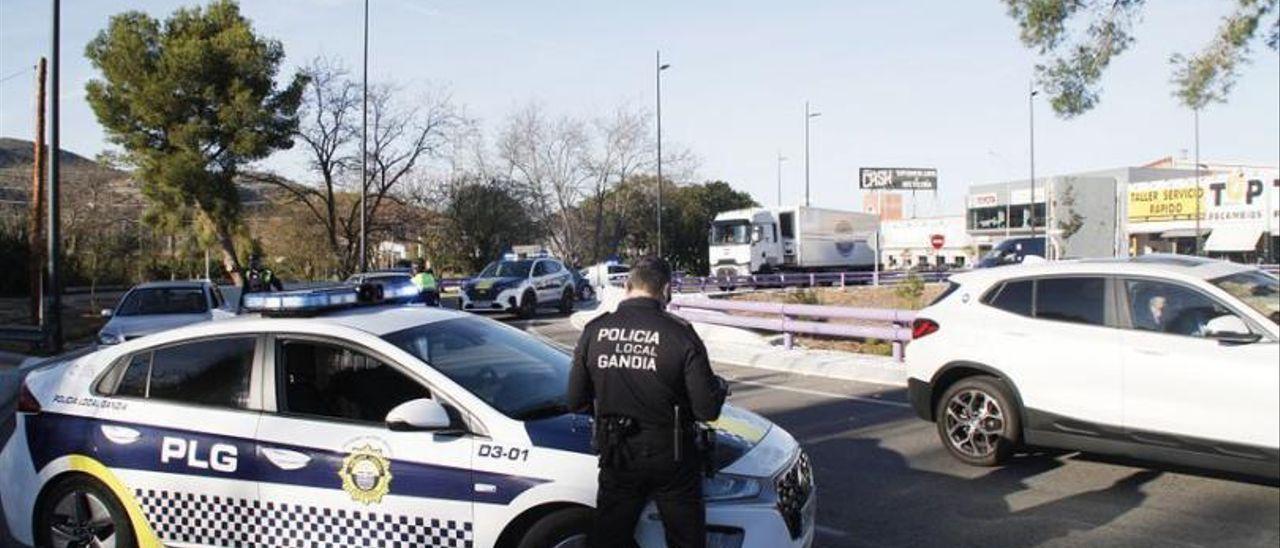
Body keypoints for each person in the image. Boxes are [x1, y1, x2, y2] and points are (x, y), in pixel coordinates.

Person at [567, 256, 728, 548]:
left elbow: (575, 401)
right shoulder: (680, 334)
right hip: (672, 458)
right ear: (666, 290)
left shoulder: (595, 331)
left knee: (609, 538)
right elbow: (707, 410)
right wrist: (719, 388)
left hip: (618, 453)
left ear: (627, 286)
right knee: (685, 540)